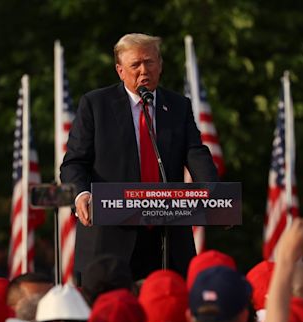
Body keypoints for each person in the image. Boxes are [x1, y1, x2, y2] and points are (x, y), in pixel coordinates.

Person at [60, 33, 218, 282]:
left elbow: (196, 153)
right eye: (135, 65)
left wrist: (215, 196)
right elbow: (74, 163)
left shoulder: (178, 106)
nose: (144, 70)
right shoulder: (95, 105)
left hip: (167, 235)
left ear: (160, 65)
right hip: (112, 238)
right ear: (120, 71)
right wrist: (82, 194)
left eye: (150, 62)